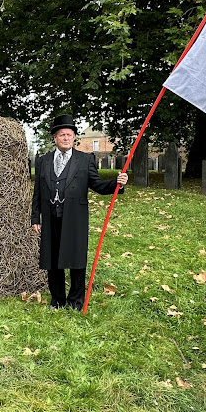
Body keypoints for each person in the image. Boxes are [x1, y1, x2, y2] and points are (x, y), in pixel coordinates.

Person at [31, 114, 129, 310]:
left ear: (74, 137)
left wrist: (116, 184)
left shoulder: (85, 160)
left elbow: (98, 185)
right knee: (53, 260)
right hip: (50, 218)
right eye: (61, 135)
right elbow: (37, 192)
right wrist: (36, 217)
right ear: (55, 138)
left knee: (76, 259)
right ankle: (57, 300)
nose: (65, 138)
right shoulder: (44, 160)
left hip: (75, 218)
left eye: (69, 134)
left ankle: (76, 301)